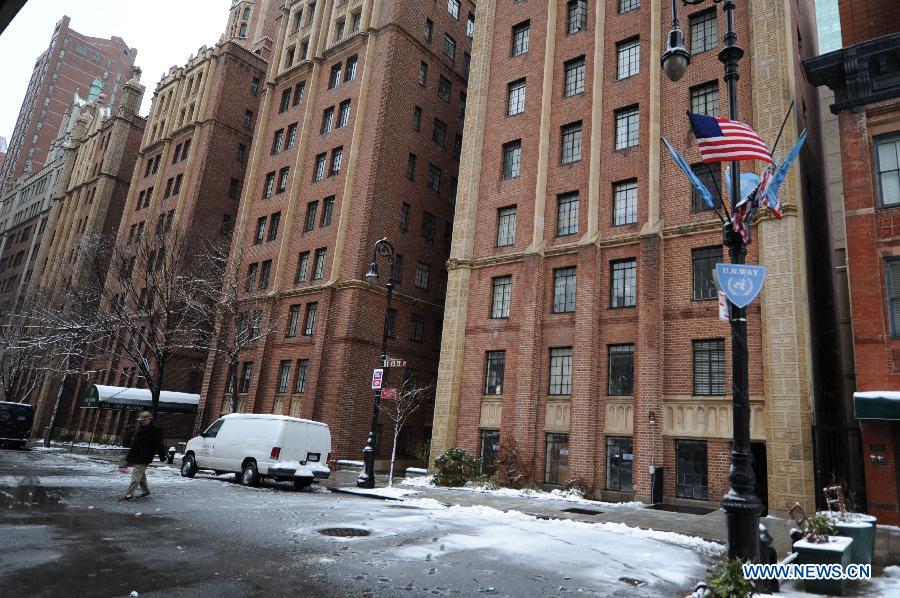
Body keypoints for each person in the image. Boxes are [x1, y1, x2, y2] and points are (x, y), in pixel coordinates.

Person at [119, 411, 166, 500]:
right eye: (141, 420)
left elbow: (160, 444)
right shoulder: (141, 428)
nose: (142, 422)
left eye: (144, 420)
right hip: (137, 454)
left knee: (136, 474)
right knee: (141, 474)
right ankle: (145, 491)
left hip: (145, 456)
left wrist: (162, 456)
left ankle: (129, 494)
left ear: (149, 419)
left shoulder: (155, 429)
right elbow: (136, 442)